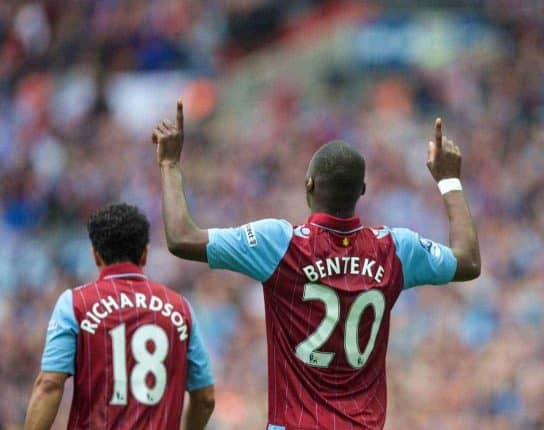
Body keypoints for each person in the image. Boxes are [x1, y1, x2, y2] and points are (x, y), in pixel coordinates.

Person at [151, 102, 480, 429]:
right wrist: (449, 180)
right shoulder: (396, 248)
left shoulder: (279, 244)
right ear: (362, 190)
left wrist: (169, 164)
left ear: (308, 184)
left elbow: (181, 238)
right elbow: (468, 261)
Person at [24, 203, 215, 430]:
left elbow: (49, 385)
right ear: (144, 254)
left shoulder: (75, 304)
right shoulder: (180, 308)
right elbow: (205, 399)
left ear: (95, 255)